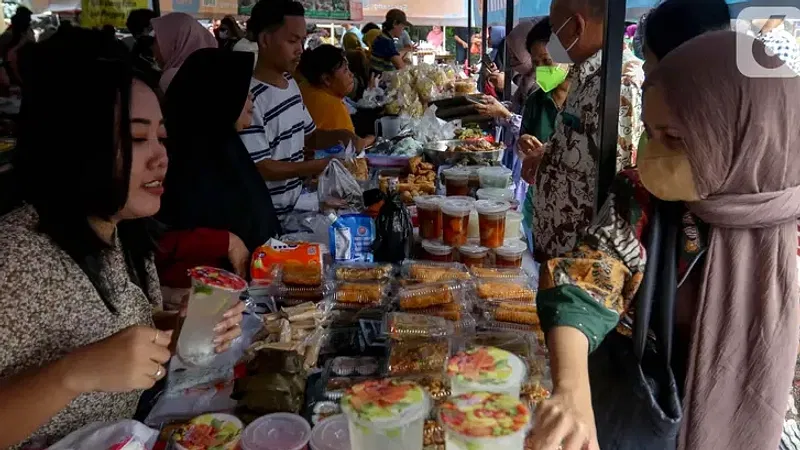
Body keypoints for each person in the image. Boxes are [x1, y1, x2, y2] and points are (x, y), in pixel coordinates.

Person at [528, 31, 800, 450]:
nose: (652, 154)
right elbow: (584, 282)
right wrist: (571, 393)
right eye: (651, 134)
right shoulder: (642, 199)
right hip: (639, 419)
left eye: (674, 138)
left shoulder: (791, 238)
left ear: (742, 135)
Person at [0, 28, 244, 449]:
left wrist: (180, 329)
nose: (161, 156)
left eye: (162, 137)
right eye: (136, 138)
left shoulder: (116, 232)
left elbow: (113, 333)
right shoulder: (15, 261)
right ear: (77, 145)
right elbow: (91, 357)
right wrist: (72, 372)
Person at [157, 48, 281, 305]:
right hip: (194, 304)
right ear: (219, 94)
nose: (252, 99)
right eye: (243, 91)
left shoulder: (226, 147)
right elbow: (154, 240)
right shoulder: (173, 158)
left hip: (239, 299)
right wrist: (224, 241)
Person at [528, 0, 644, 261]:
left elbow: (620, 182)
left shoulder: (619, 83)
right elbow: (585, 151)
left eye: (556, 29)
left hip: (579, 263)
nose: (553, 39)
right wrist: (546, 155)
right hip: (556, 250)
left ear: (576, 26)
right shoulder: (586, 74)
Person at [240, 0, 358, 219]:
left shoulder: (290, 83)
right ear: (265, 40)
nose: (300, 50)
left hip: (298, 207)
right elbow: (262, 167)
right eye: (293, 41)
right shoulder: (248, 97)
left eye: (302, 41)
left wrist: (341, 137)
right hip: (268, 216)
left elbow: (308, 136)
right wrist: (320, 165)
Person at [297, 44, 375, 146]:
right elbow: (351, 147)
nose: (351, 74)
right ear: (327, 79)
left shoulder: (304, 87)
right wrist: (369, 140)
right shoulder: (332, 105)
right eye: (345, 70)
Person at [151, 12, 218, 92]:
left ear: (173, 42)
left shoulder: (173, 77)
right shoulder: (214, 70)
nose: (153, 47)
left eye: (157, 40)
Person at [369, 9, 410, 73]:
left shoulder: (382, 37)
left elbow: (395, 55)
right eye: (402, 27)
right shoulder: (386, 42)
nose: (403, 31)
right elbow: (401, 67)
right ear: (394, 24)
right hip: (381, 81)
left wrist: (405, 50)